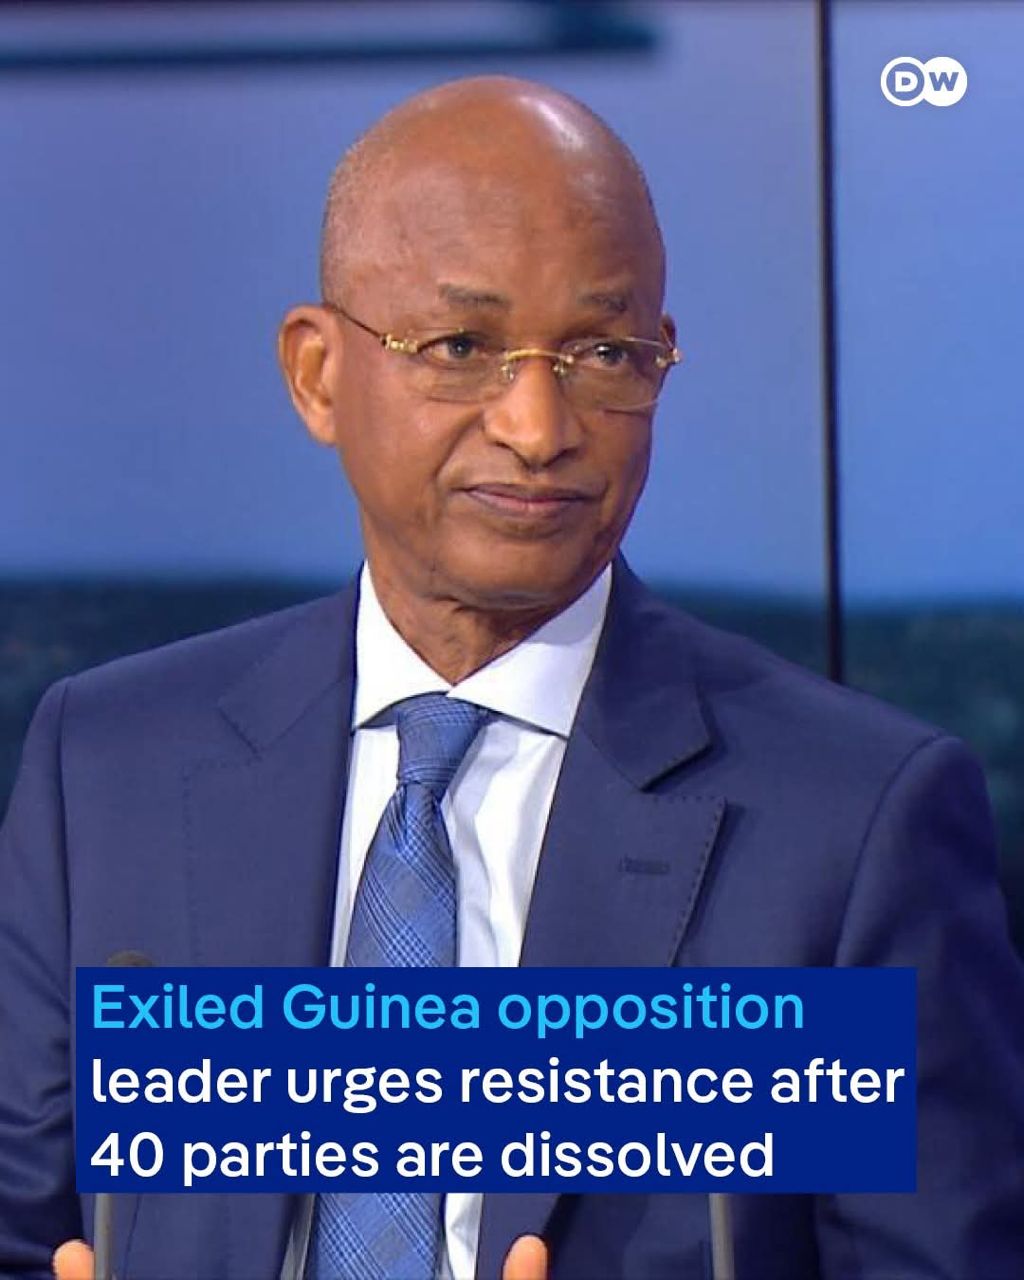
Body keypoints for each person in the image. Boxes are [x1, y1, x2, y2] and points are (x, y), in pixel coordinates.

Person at [2, 75, 1022, 1280]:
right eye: (462, 348)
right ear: (318, 374)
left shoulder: (848, 826)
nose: (539, 426)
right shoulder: (109, 769)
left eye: (604, 352)